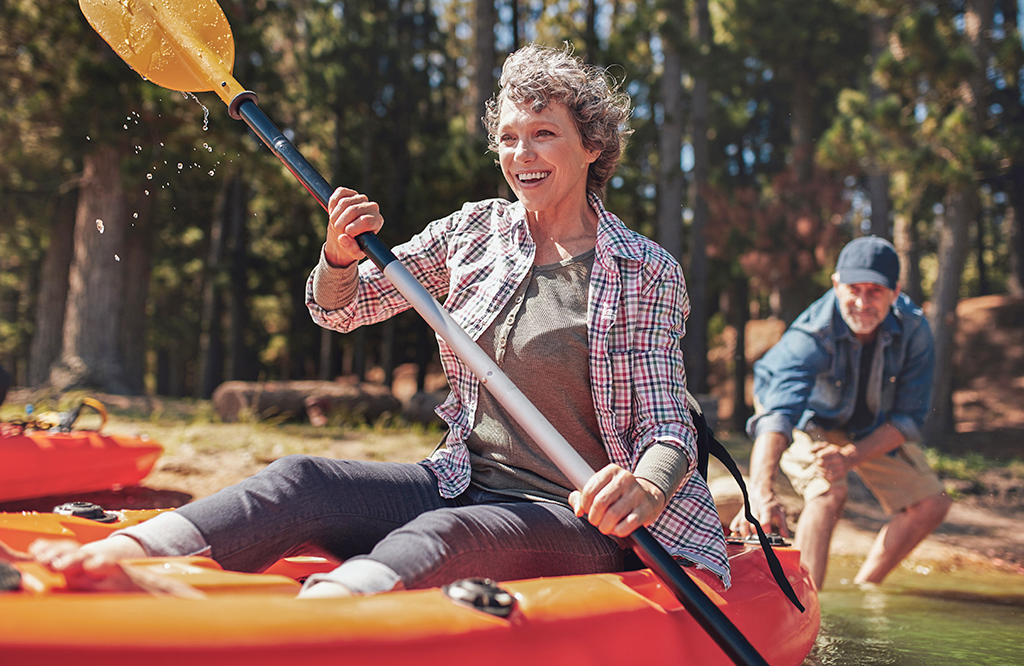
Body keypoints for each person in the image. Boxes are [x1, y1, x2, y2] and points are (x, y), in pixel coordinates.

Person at [13, 44, 730, 596]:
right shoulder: (473, 233)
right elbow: (346, 310)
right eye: (509, 138)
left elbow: (667, 424)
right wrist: (338, 256)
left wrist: (645, 485)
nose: (521, 155)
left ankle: (320, 619)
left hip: (578, 516)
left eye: (543, 134)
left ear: (593, 145)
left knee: (446, 535)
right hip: (462, 478)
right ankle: (113, 560)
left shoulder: (643, 270)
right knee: (302, 479)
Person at [729, 236, 951, 589]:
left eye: (875, 291)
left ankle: (865, 588)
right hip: (805, 416)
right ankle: (805, 602)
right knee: (828, 491)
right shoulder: (813, 332)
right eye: (853, 289)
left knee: (931, 503)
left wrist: (850, 457)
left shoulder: (915, 329)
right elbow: (778, 415)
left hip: (866, 424)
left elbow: (908, 418)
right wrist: (761, 493)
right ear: (836, 285)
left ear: (895, 291)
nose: (862, 302)